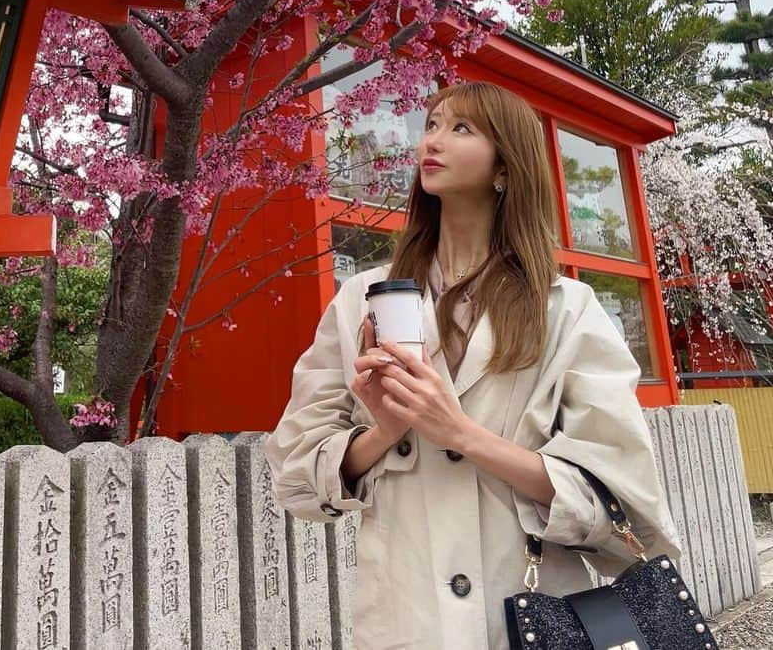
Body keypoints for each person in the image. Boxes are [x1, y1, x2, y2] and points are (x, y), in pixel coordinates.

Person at [264, 80, 680, 650]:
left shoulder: (564, 309)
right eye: (431, 124)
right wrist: (386, 432)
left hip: (533, 615)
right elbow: (294, 471)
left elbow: (622, 492)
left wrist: (461, 433)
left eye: (460, 128)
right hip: (403, 616)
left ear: (504, 166)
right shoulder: (361, 298)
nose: (432, 140)